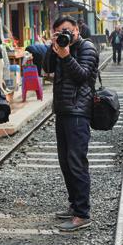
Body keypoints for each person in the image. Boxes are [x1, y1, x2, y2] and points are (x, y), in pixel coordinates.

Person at [43, 16, 98, 232]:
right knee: (65, 162)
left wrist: (65, 56)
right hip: (63, 110)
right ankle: (75, 205)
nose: (64, 34)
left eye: (66, 30)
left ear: (77, 28)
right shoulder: (59, 47)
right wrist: (53, 46)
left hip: (79, 111)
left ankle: (83, 213)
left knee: (76, 162)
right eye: (58, 32)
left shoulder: (87, 47)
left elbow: (82, 76)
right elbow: (46, 68)